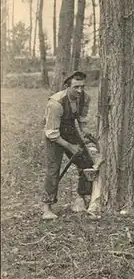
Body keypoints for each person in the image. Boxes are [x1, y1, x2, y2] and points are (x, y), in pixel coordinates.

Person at [41, 71, 94, 220]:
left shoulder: (85, 98)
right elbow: (51, 133)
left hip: (69, 130)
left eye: (82, 87)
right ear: (67, 86)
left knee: (86, 162)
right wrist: (70, 147)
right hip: (53, 134)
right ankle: (47, 207)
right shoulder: (55, 103)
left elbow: (81, 119)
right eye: (76, 87)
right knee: (53, 169)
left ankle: (81, 198)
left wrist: (85, 136)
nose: (80, 91)